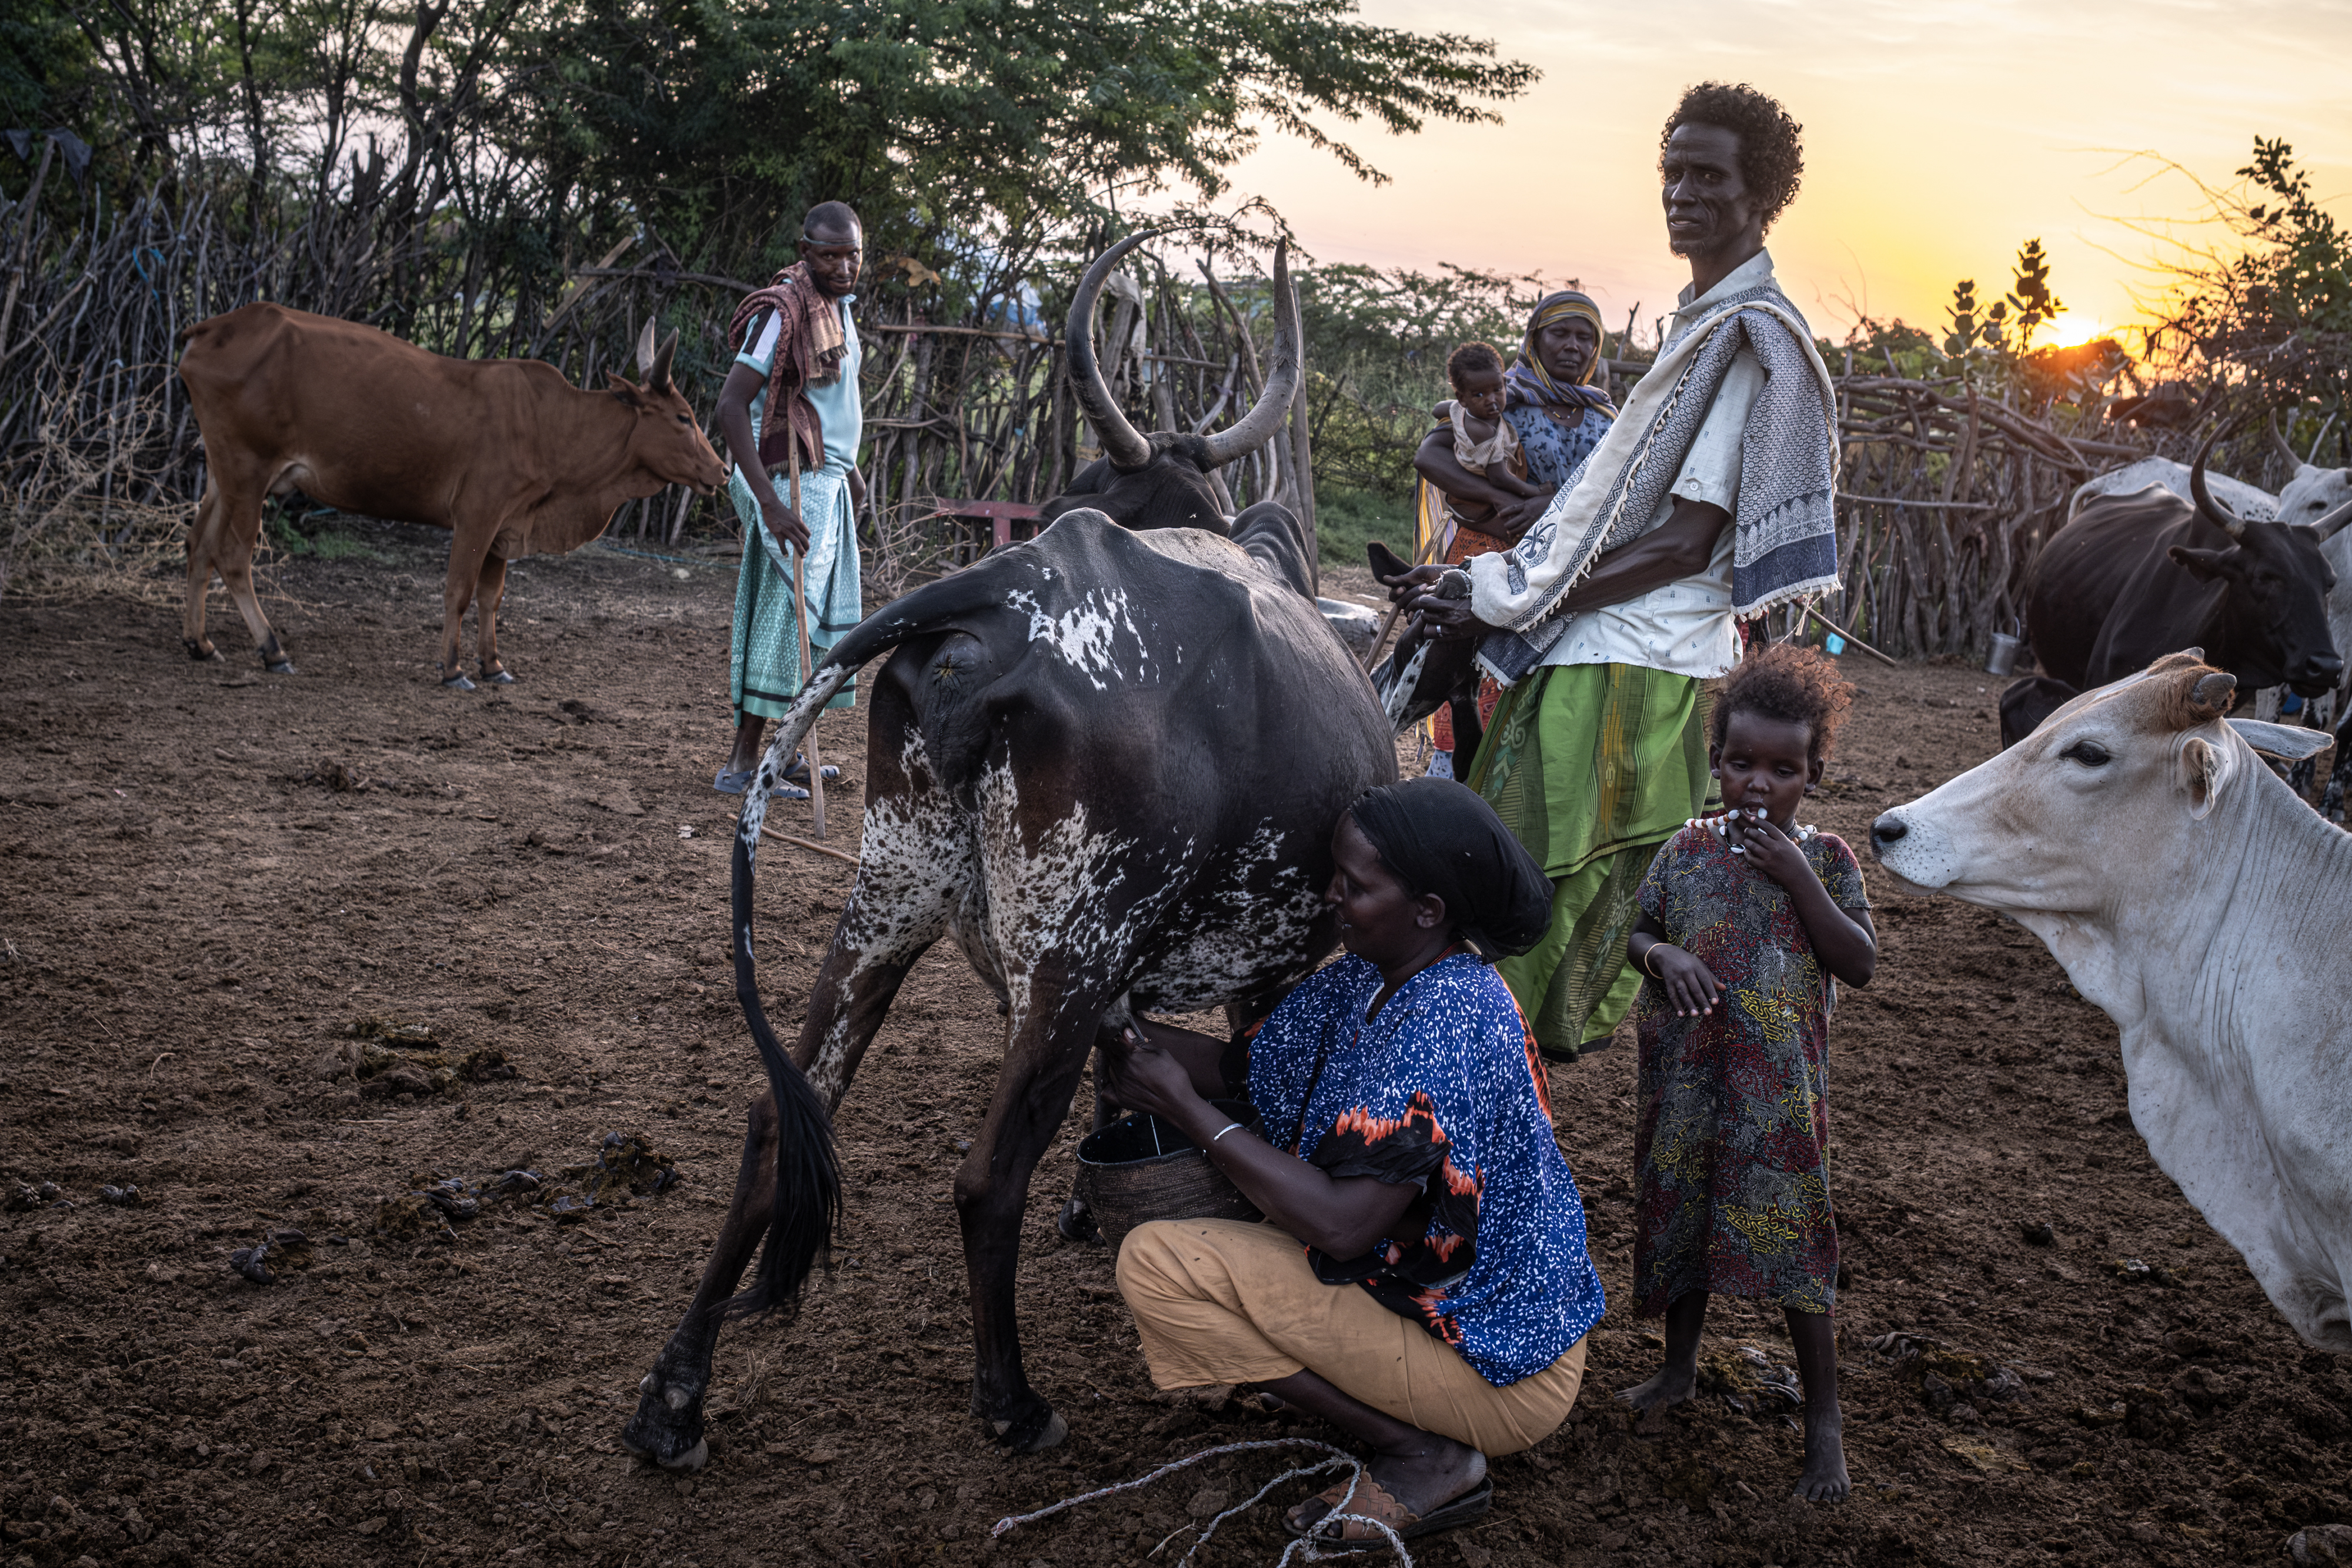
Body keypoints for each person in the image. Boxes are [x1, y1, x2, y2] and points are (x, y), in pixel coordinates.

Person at [1383, 83, 1841, 1065]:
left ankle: (1471, 1084)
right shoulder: (1703, 325)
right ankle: (1484, 1076)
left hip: (1627, 664)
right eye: (1673, 171)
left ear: (1762, 192)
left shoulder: (1745, 341)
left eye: (1708, 174)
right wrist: (1512, 583)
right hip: (1624, 649)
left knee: (1529, 883)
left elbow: (1684, 544)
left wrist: (1517, 596)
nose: (1682, 192)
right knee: (1529, 883)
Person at [1100, 777, 1605, 1548]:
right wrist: (1097, 1018)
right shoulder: (1373, 975)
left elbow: (1342, 1227)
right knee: (1254, 1208)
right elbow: (1242, 1069)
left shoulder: (1447, 1015)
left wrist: (1185, 1112)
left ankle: (1427, 1454)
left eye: (1354, 884)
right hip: (1444, 1308)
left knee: (1159, 1265)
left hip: (1501, 1366)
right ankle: (1385, 1399)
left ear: (1427, 909)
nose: (1330, 894)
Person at [1620, 643, 1875, 1503]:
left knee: (1797, 1246)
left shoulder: (1828, 860)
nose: (1757, 784)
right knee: (1683, 1221)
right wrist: (1663, 957)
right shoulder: (1685, 849)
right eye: (1740, 763)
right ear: (1716, 761)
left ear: (1813, 775)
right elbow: (1639, 931)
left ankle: (1824, 1428)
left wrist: (1800, 878)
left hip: (1778, 1102)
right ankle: (1678, 1368)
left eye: (1782, 770)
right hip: (1687, 1084)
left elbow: (1860, 962)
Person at [711, 201, 868, 797]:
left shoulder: (837, 309)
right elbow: (732, 406)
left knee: (813, 626)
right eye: (830, 255)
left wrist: (851, 470)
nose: (844, 266)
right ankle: (742, 764)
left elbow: (824, 402)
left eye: (852, 254)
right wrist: (770, 505)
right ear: (806, 252)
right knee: (784, 619)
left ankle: (786, 753)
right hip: (788, 479)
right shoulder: (783, 312)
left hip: (827, 476)